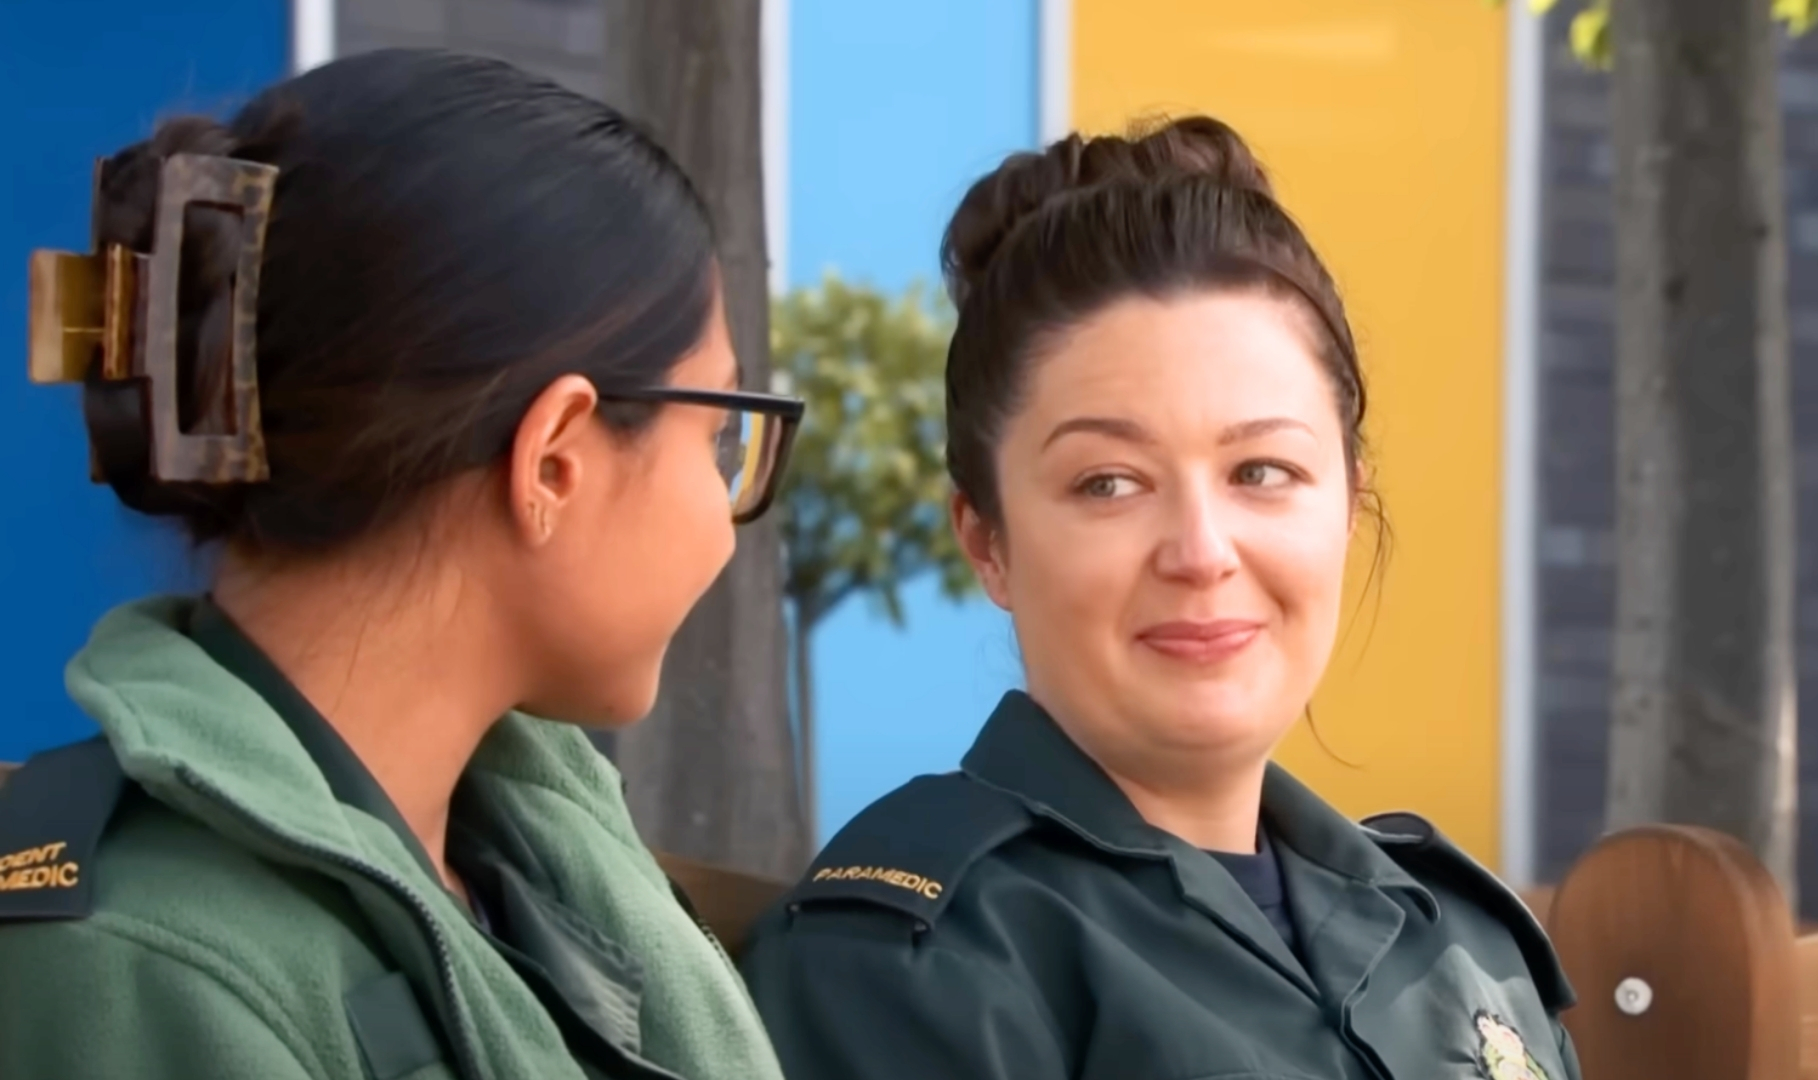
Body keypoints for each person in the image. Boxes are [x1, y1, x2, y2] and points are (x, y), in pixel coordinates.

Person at [0, 48, 800, 1080]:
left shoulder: (534, 873)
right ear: (555, 461)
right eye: (719, 438)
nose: (722, 520)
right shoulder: (146, 975)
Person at [740, 116, 1582, 1080]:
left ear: (1350, 502)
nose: (1200, 551)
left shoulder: (1464, 947)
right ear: (988, 539)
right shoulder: (913, 965)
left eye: (1261, 470)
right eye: (1109, 483)